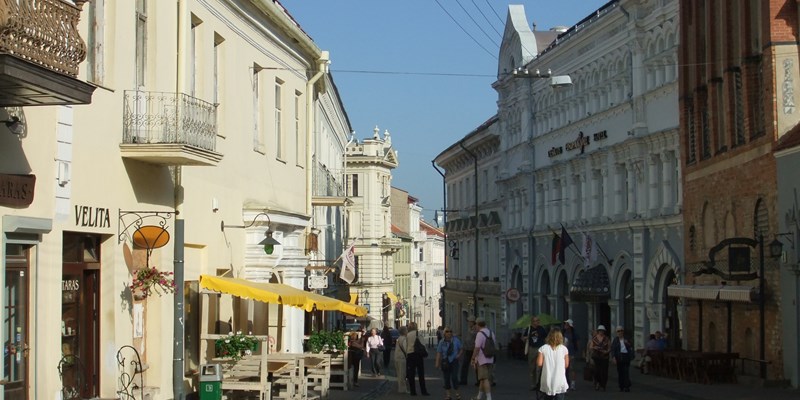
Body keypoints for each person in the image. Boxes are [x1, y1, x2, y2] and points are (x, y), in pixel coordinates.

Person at [537, 327, 570, 400]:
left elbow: (539, 363)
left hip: (547, 380)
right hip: (559, 380)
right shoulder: (564, 349)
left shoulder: (543, 348)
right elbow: (566, 365)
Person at [470, 317, 495, 400]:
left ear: (478, 325)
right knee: (482, 379)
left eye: (476, 325)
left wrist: (473, 359)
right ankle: (479, 397)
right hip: (490, 358)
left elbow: (477, 348)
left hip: (482, 359)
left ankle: (489, 397)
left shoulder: (480, 334)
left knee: (485, 378)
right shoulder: (491, 333)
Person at [436, 327, 463, 400]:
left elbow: (461, 349)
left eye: (450, 331)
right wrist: (437, 363)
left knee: (454, 377)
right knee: (446, 379)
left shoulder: (456, 340)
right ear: (444, 333)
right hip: (445, 362)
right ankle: (448, 395)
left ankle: (457, 393)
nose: (449, 333)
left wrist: (459, 355)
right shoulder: (442, 342)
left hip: (454, 361)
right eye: (447, 331)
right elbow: (439, 352)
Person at [523, 316, 547, 390]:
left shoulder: (542, 329)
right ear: (532, 322)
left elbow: (546, 338)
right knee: (532, 368)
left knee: (539, 367)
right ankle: (533, 384)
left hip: (540, 349)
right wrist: (526, 338)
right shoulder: (529, 328)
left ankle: (538, 384)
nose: (537, 322)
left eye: (538, 320)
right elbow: (523, 338)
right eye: (535, 321)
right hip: (532, 349)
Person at [406, 322, 430, 396]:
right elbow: (423, 343)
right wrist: (426, 351)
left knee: (411, 374)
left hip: (410, 354)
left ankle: (413, 391)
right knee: (421, 373)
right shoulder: (418, 333)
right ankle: (423, 391)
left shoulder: (407, 335)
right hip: (418, 355)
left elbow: (406, 345)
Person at [610, 326, 633, 392]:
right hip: (619, 357)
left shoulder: (627, 338)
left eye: (621, 331)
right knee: (620, 372)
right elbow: (613, 349)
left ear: (623, 331)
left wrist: (627, 343)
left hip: (626, 356)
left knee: (626, 372)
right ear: (616, 333)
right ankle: (621, 386)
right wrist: (613, 357)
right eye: (618, 331)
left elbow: (631, 346)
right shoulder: (616, 340)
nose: (620, 332)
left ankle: (627, 386)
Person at [589, 324, 611, 391]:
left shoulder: (607, 339)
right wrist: (594, 348)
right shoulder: (595, 339)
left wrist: (606, 351)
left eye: (602, 331)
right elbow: (591, 347)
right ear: (598, 331)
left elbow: (609, 347)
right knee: (597, 371)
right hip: (596, 357)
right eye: (600, 331)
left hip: (604, 357)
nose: (601, 332)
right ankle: (597, 383)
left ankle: (603, 385)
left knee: (604, 371)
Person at [562, 319, 579, 390]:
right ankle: (565, 382)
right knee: (564, 369)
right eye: (565, 324)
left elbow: (577, 343)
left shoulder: (574, 334)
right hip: (563, 354)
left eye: (567, 324)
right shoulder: (563, 333)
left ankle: (573, 383)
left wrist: (575, 352)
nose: (565, 325)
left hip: (571, 353)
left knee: (572, 369)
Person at [459, 316, 477, 385]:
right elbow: (467, 338)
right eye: (468, 321)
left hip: (473, 349)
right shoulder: (470, 328)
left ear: (473, 322)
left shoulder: (475, 329)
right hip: (468, 349)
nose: (468, 323)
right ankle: (463, 380)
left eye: (469, 322)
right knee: (464, 365)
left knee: (476, 366)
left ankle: (479, 381)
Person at [395, 326, 409, 394]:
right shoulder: (404, 339)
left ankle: (400, 388)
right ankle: (402, 389)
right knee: (402, 374)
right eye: (406, 330)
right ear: (404, 331)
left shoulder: (398, 338)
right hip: (402, 358)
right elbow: (406, 349)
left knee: (399, 374)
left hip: (397, 357)